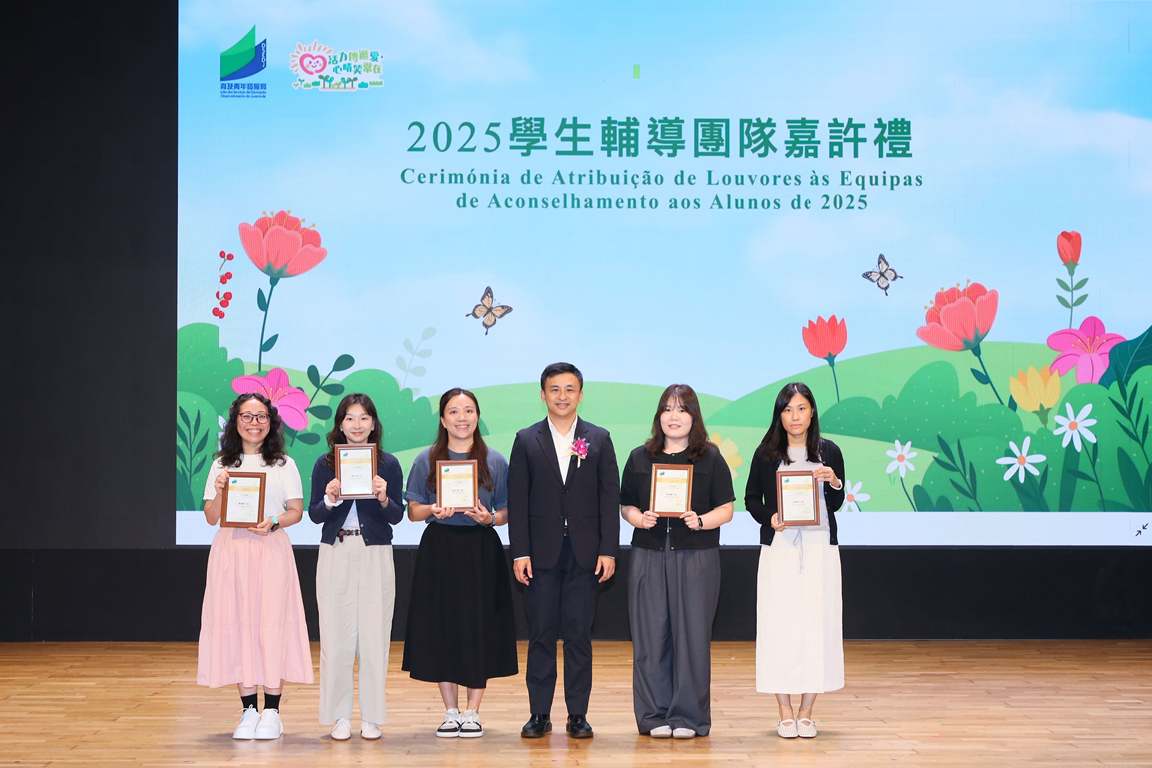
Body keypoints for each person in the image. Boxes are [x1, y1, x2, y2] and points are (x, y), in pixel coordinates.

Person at [508, 362, 620, 739]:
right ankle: (539, 713)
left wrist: (609, 549)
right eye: (554, 389)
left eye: (569, 389)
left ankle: (578, 715)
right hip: (540, 555)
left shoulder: (599, 439)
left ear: (581, 395)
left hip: (586, 555)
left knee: (578, 636)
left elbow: (609, 497)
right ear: (542, 394)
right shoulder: (526, 440)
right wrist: (520, 552)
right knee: (540, 634)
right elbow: (518, 500)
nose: (562, 396)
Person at [619, 384, 734, 739]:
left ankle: (689, 717)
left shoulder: (710, 457)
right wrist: (638, 519)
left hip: (697, 557)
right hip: (648, 555)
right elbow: (626, 504)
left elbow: (726, 509)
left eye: (682, 409)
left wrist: (700, 521)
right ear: (658, 416)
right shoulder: (640, 457)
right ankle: (653, 716)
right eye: (667, 409)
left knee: (693, 638)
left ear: (694, 417)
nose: (674, 416)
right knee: (650, 638)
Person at [402, 388, 518, 738]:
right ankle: (450, 710)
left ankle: (472, 711)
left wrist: (490, 518)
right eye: (454, 411)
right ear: (443, 419)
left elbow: (506, 511)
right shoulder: (426, 460)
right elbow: (413, 511)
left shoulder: (495, 460)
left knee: (478, 626)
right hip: (439, 549)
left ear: (477, 417)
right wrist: (432, 509)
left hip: (481, 550)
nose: (462, 418)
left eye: (468, 410)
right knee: (443, 627)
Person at [198, 393, 313, 740]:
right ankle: (248, 709)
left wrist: (274, 522)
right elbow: (211, 517)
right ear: (235, 421)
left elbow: (296, 511)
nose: (254, 423)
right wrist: (220, 490)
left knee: (272, 625)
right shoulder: (221, 465)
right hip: (231, 552)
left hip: (270, 550)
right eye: (246, 416)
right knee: (238, 624)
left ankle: (272, 711)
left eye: (261, 416)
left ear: (271, 422)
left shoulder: (283, 464)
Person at [743, 382, 846, 739]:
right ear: (779, 415)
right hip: (780, 548)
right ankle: (784, 711)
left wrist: (834, 481)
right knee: (779, 626)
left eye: (801, 408)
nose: (795, 416)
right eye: (787, 410)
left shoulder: (829, 451)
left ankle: (807, 712)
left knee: (818, 625)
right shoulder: (766, 454)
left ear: (812, 412)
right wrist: (770, 517)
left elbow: (836, 503)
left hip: (820, 549)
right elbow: (751, 499)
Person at [308, 393, 404, 741]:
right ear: (340, 424)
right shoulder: (325, 464)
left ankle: (372, 717)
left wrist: (384, 497)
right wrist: (329, 498)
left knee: (375, 637)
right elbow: (315, 514)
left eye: (364, 418)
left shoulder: (388, 464)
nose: (357, 425)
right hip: (336, 551)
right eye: (350, 418)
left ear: (373, 423)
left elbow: (397, 515)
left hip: (375, 552)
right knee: (336, 637)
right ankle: (339, 717)